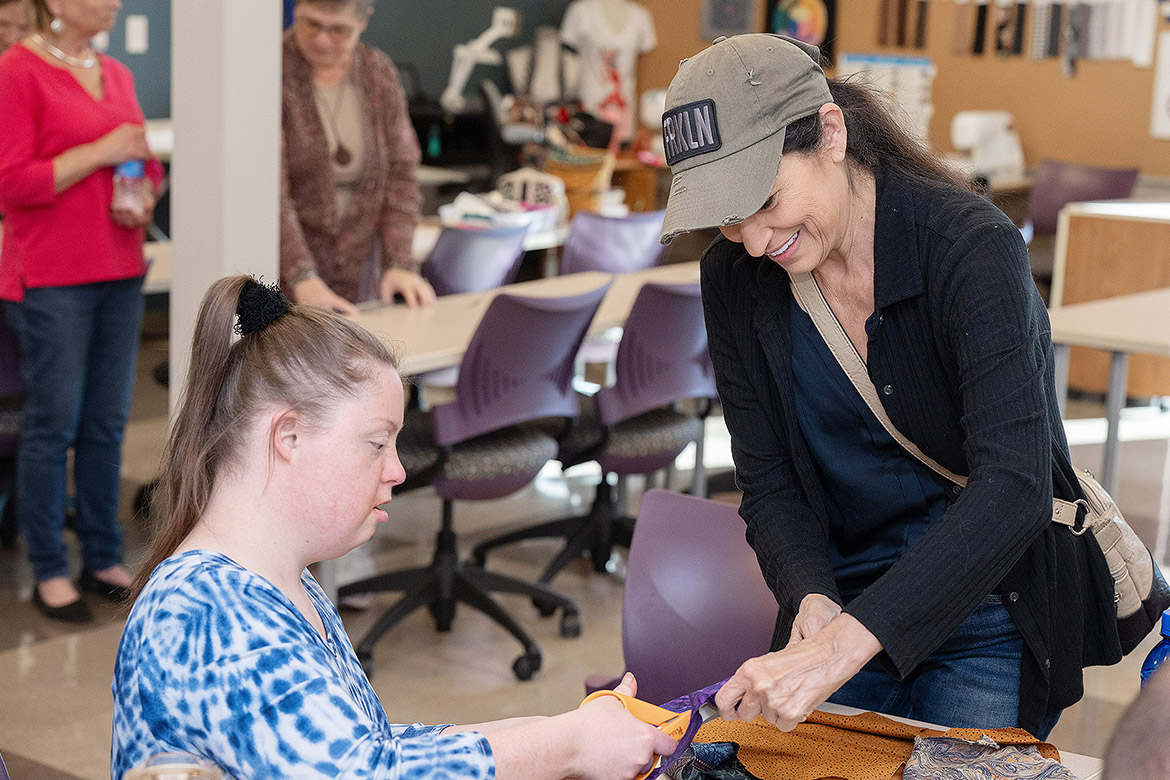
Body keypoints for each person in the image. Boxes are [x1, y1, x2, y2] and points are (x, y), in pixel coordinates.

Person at [657, 34, 1169, 738]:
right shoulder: (735, 277)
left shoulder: (968, 248)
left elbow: (1014, 486)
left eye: (766, 200)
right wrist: (808, 595)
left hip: (990, 607)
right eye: (727, 218)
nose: (754, 241)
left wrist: (845, 642)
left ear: (830, 134)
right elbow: (770, 481)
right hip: (841, 603)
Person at [110, 276, 677, 779]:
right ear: (289, 438)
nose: (399, 471)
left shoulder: (282, 582)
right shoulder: (207, 611)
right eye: (377, 443)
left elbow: (366, 748)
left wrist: (549, 733)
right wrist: (565, 747)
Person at [0, 0, 160, 623]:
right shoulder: (18, 70)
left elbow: (143, 158)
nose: (114, 2)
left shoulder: (115, 73)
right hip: (52, 279)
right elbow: (13, 182)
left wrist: (144, 190)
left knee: (106, 423)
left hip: (120, 266)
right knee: (53, 426)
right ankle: (48, 566)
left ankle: (102, 554)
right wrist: (99, 152)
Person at [282, 0, 435, 316]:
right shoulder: (271, 69)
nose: (322, 39)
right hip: (284, 274)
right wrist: (300, 275)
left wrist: (400, 263)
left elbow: (401, 174)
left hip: (360, 269)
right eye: (310, 24)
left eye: (338, 30)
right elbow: (267, 190)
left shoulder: (377, 72)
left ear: (363, 22)